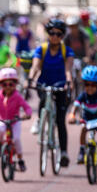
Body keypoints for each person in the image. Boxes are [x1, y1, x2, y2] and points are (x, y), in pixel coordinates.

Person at [28, 18, 74, 167]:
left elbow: (68, 70)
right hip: (44, 83)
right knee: (42, 100)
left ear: (62, 36)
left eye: (58, 34)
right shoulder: (41, 49)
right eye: (52, 33)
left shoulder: (66, 51)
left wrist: (69, 82)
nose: (54, 36)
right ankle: (39, 119)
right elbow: (35, 67)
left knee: (60, 120)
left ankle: (64, 152)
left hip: (60, 85)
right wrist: (30, 79)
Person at [0, 68, 32, 172]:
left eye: (11, 84)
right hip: (2, 120)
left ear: (15, 84)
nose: (8, 87)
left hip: (15, 121)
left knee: (16, 139)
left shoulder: (18, 97)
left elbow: (26, 107)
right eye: (4, 84)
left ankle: (20, 159)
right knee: (0, 131)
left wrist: (27, 114)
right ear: (0, 85)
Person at [67, 65, 97, 169]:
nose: (90, 87)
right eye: (87, 84)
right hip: (86, 120)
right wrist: (72, 115)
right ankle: (82, 150)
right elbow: (75, 105)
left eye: (93, 85)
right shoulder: (83, 96)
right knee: (83, 130)